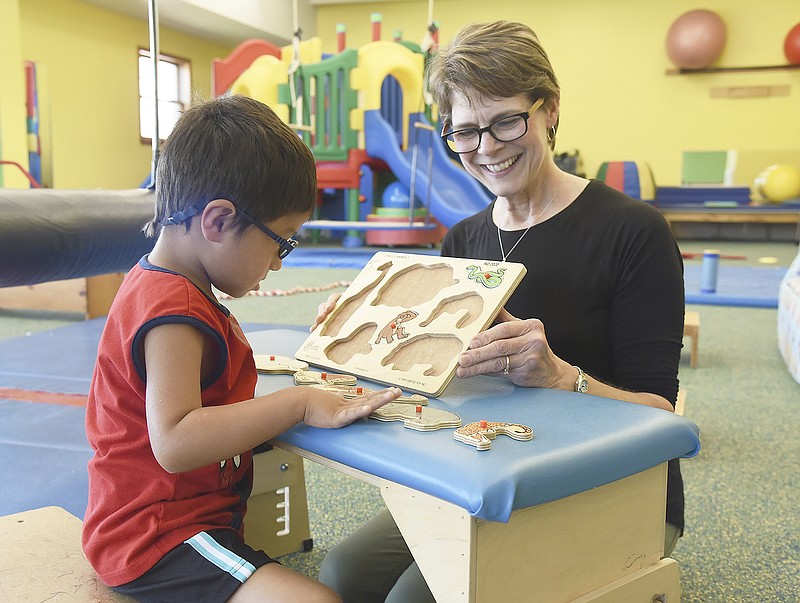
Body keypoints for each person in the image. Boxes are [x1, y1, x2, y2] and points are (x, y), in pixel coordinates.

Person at [315, 20, 685, 603]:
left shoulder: (633, 232)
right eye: (464, 132)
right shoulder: (462, 240)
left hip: (608, 486)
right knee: (342, 574)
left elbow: (663, 414)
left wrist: (563, 378)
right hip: (484, 472)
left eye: (506, 121)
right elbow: (430, 383)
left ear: (550, 110)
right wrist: (362, 335)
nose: (486, 148)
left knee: (414, 599)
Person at [81, 95, 401, 603]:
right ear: (217, 221)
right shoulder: (173, 307)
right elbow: (176, 440)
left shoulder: (167, 285)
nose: (277, 264)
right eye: (283, 241)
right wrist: (297, 402)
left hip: (168, 523)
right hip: (158, 537)